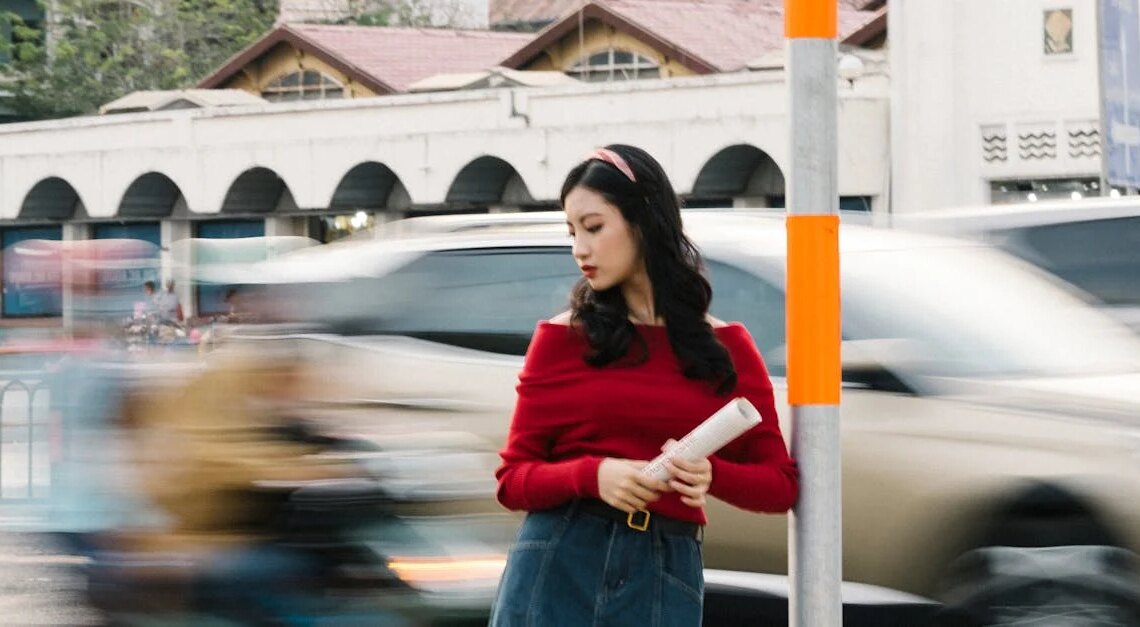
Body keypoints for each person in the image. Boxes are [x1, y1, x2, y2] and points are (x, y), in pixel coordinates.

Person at [490, 145, 799, 626]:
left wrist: (711, 474)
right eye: (572, 232)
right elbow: (513, 481)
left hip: (665, 568)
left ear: (644, 220)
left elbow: (780, 485)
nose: (579, 248)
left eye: (593, 227)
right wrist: (594, 475)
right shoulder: (562, 339)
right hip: (561, 558)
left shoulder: (728, 347)